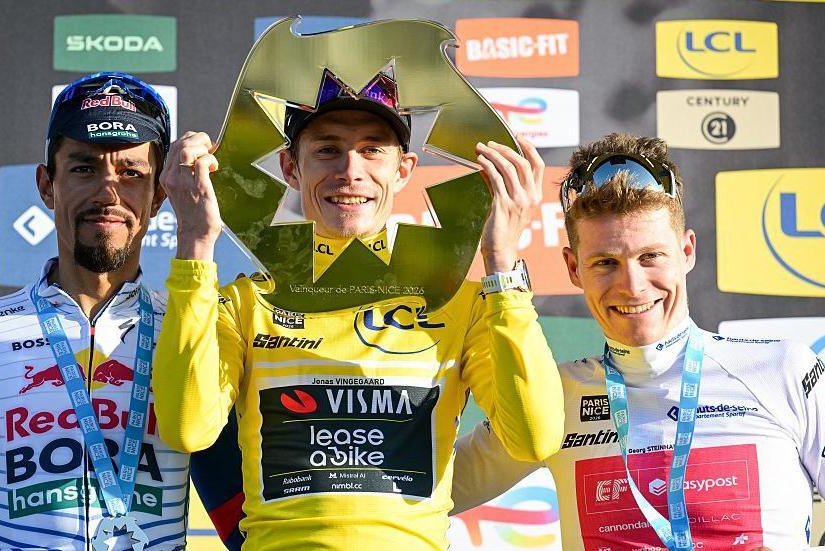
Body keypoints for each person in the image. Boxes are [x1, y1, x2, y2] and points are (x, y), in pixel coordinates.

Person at [152, 67, 565, 550]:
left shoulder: (461, 302)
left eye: (372, 150)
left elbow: (535, 438)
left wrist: (502, 262)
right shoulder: (245, 303)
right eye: (327, 150)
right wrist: (195, 243)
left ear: (403, 169)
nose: (350, 171)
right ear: (290, 168)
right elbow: (187, 428)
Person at [450, 133, 825, 550]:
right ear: (573, 268)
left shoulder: (782, 371)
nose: (633, 286)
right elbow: (421, 494)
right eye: (605, 263)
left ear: (686, 251)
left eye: (650, 256)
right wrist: (499, 260)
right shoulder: (553, 398)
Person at [0, 72, 195, 550]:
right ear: (47, 185)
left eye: (131, 173)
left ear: (159, 197)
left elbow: (240, 519)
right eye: (84, 168)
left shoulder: (191, 331)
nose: (108, 193)